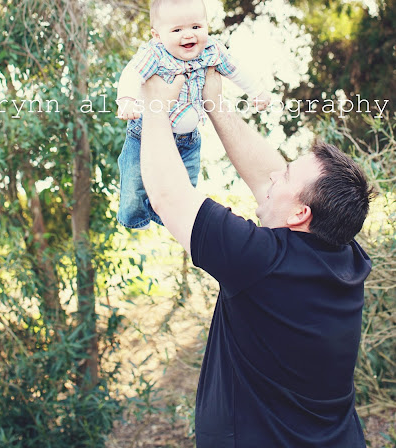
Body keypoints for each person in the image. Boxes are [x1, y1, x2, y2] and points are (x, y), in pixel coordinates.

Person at [139, 68, 373, 448]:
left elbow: (168, 196)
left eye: (286, 176)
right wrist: (214, 102)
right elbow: (269, 179)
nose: (275, 177)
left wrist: (154, 104)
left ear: (300, 214)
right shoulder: (347, 256)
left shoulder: (262, 261)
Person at [116, 0, 267, 230]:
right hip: (145, 133)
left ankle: (167, 218)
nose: (188, 35)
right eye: (177, 30)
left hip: (188, 138)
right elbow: (132, 73)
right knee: (135, 182)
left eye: (196, 27)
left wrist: (257, 91)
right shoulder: (155, 54)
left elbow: (236, 70)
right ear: (157, 35)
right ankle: (136, 218)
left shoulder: (211, 50)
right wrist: (127, 100)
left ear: (206, 25)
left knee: (185, 185)